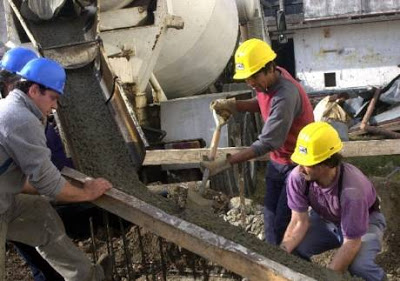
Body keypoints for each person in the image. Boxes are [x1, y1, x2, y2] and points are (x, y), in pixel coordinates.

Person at [0, 57, 113, 281]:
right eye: (52, 98)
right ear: (33, 90)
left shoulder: (17, 109)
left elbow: (19, 177)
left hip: (6, 200)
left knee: (40, 214)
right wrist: (87, 192)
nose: (55, 105)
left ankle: (88, 277)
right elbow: (48, 183)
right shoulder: (21, 119)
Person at [201, 38, 314, 245]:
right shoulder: (268, 82)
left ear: (270, 68)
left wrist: (226, 162)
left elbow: (266, 143)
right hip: (278, 161)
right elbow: (262, 103)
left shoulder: (285, 94)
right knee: (270, 223)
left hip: (298, 165)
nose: (251, 83)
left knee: (283, 226)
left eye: (254, 77)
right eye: (247, 79)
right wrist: (235, 105)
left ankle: (293, 272)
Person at [280, 121, 386, 281]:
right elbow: (298, 222)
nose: (300, 168)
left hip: (365, 223)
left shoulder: (352, 190)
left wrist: (326, 277)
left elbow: (352, 241)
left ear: (326, 163)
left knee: (359, 266)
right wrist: (281, 253)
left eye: (307, 163)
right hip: (326, 220)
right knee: (296, 249)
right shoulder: (298, 178)